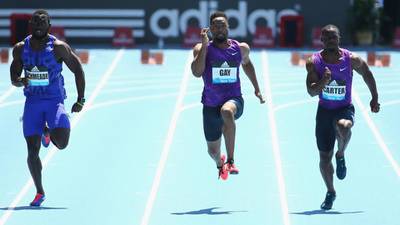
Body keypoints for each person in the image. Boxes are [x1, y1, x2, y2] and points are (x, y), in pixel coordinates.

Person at [10, 9, 86, 206]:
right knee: (32, 151)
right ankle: (39, 191)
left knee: (61, 143)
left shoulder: (58, 48)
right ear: (30, 25)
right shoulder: (20, 49)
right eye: (35, 22)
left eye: (42, 22)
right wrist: (21, 81)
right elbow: (14, 78)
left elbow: (77, 69)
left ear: (49, 26)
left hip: (54, 101)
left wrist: (80, 99)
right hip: (33, 103)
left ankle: (48, 132)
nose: (38, 25)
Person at [306, 24, 380, 210]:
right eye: (327, 37)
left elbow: (367, 74)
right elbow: (311, 91)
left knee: (344, 126)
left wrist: (374, 98)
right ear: (321, 40)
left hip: (344, 108)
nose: (331, 40)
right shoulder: (313, 62)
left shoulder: (351, 59)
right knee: (324, 158)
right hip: (324, 112)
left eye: (334, 37)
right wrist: (323, 81)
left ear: (339, 38)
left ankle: (341, 153)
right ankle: (331, 191)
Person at [191, 11, 265, 180]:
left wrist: (257, 88)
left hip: (234, 100)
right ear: (210, 29)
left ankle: (231, 160)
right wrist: (204, 45)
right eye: (215, 26)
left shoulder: (240, 48)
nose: (219, 29)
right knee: (212, 151)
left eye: (222, 25)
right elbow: (197, 72)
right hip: (210, 105)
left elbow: (247, 64)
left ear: (228, 27)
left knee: (226, 112)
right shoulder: (202, 49)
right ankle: (220, 163)